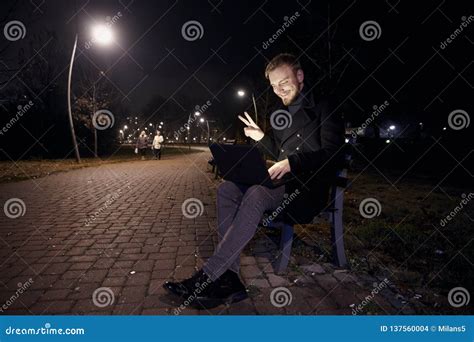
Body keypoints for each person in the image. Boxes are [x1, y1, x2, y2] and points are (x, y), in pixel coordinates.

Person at [163, 53, 344, 309]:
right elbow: (280, 153)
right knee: (227, 188)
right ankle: (230, 279)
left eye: (284, 82)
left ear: (300, 76)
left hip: (306, 189)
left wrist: (294, 163)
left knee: (256, 194)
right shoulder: (280, 115)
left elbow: (333, 155)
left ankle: (209, 276)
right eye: (273, 85)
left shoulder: (325, 106)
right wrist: (261, 138)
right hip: (280, 184)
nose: (279, 89)